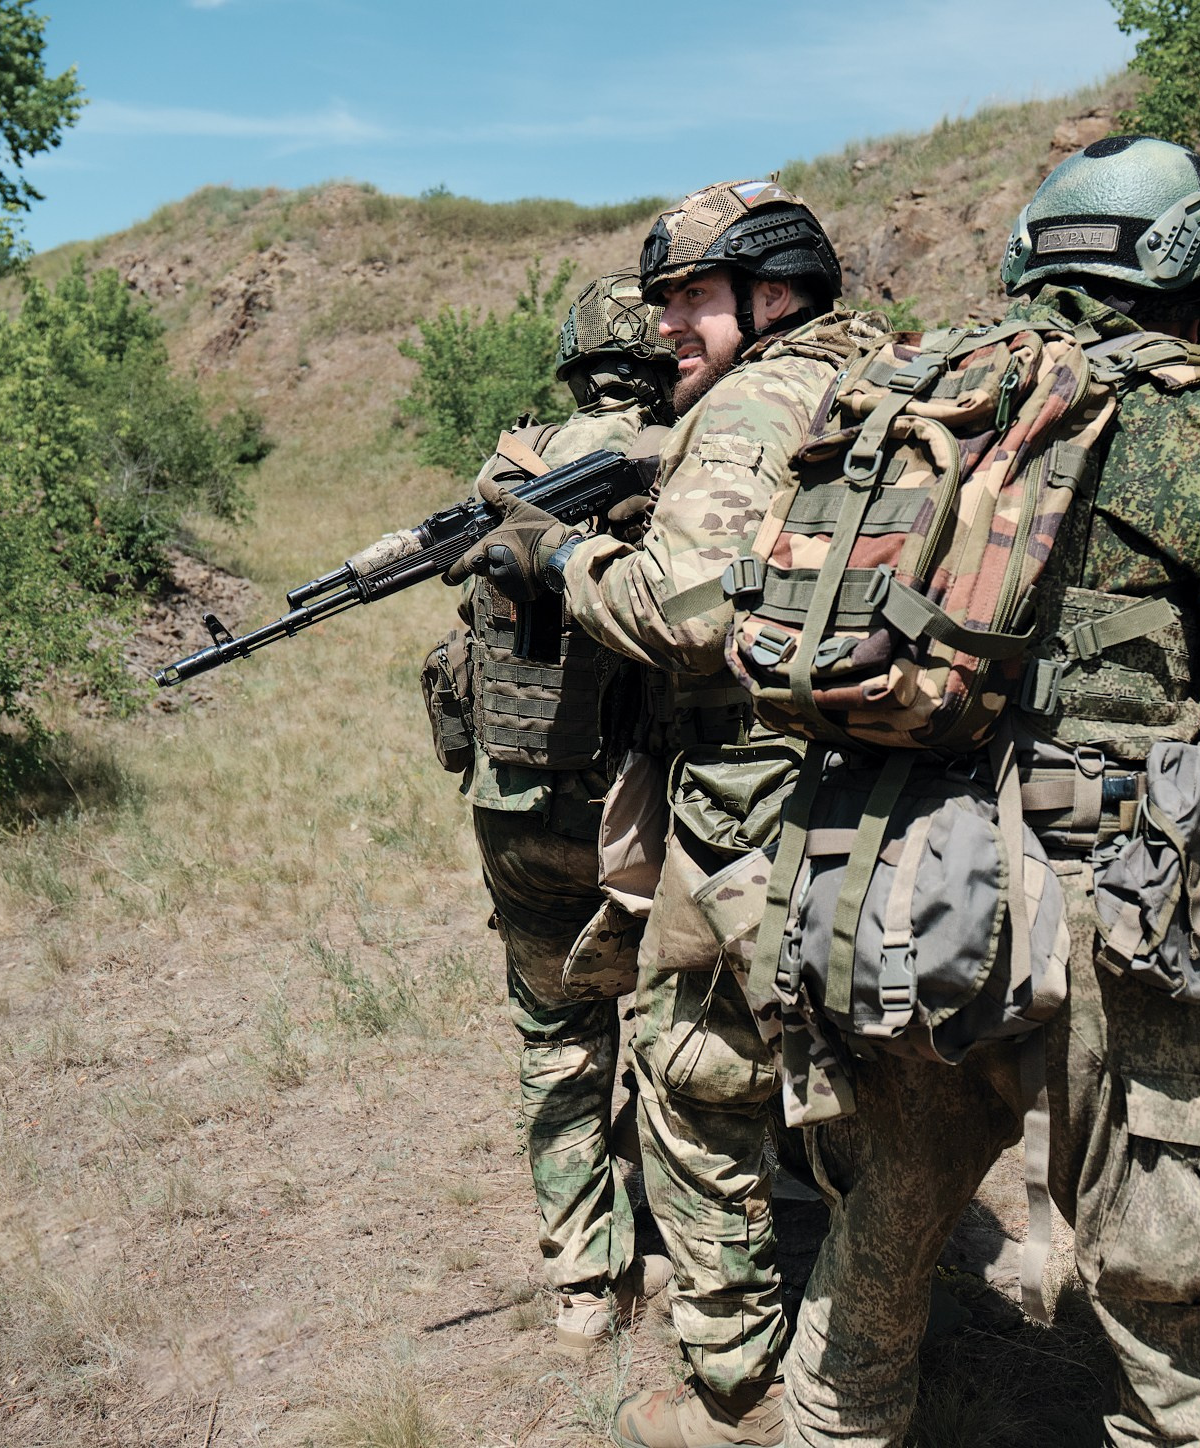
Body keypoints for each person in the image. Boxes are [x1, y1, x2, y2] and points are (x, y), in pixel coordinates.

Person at [766, 135, 1200, 1448]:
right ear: (1188, 269)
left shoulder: (917, 392)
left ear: (1036, 255)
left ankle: (837, 1426)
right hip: (1130, 888)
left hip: (892, 866)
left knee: (891, 1193)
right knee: (1168, 1246)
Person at [451, 179, 888, 1448]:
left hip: (730, 808)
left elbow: (678, 610)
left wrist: (560, 553)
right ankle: (861, 1338)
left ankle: (727, 1366)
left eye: (691, 298)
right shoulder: (880, 376)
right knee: (861, 1084)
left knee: (692, 1077)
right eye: (654, 308)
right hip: (876, 807)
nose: (667, 330)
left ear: (768, 290)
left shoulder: (741, 410)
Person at [452, 269, 678, 1359]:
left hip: (520, 797)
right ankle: (700, 1253)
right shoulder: (698, 457)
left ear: (571, 357)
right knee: (691, 1034)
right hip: (656, 803)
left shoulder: (512, 464)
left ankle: (583, 1285)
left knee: (555, 1036)